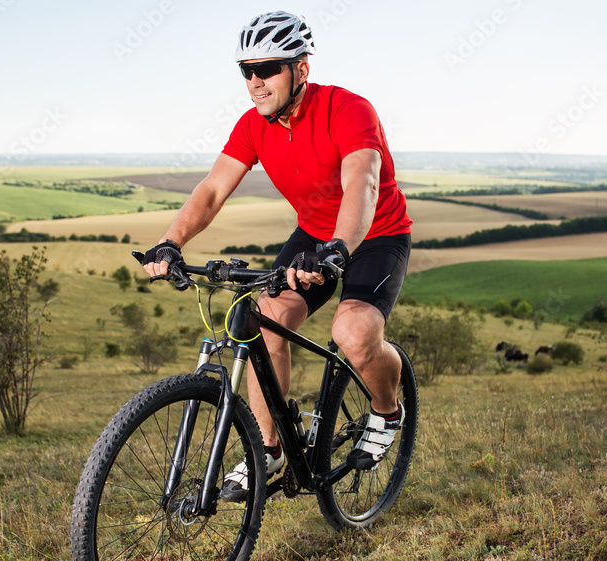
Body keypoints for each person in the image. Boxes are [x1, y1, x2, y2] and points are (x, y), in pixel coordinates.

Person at [140, 11, 413, 500]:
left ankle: (388, 409)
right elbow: (211, 191)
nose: (255, 82)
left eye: (267, 68)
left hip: (375, 234)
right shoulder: (253, 126)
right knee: (266, 317)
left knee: (352, 333)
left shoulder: (348, 110)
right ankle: (269, 449)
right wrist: (171, 241)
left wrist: (339, 249)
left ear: (301, 69)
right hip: (313, 235)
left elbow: (362, 185)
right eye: (246, 71)